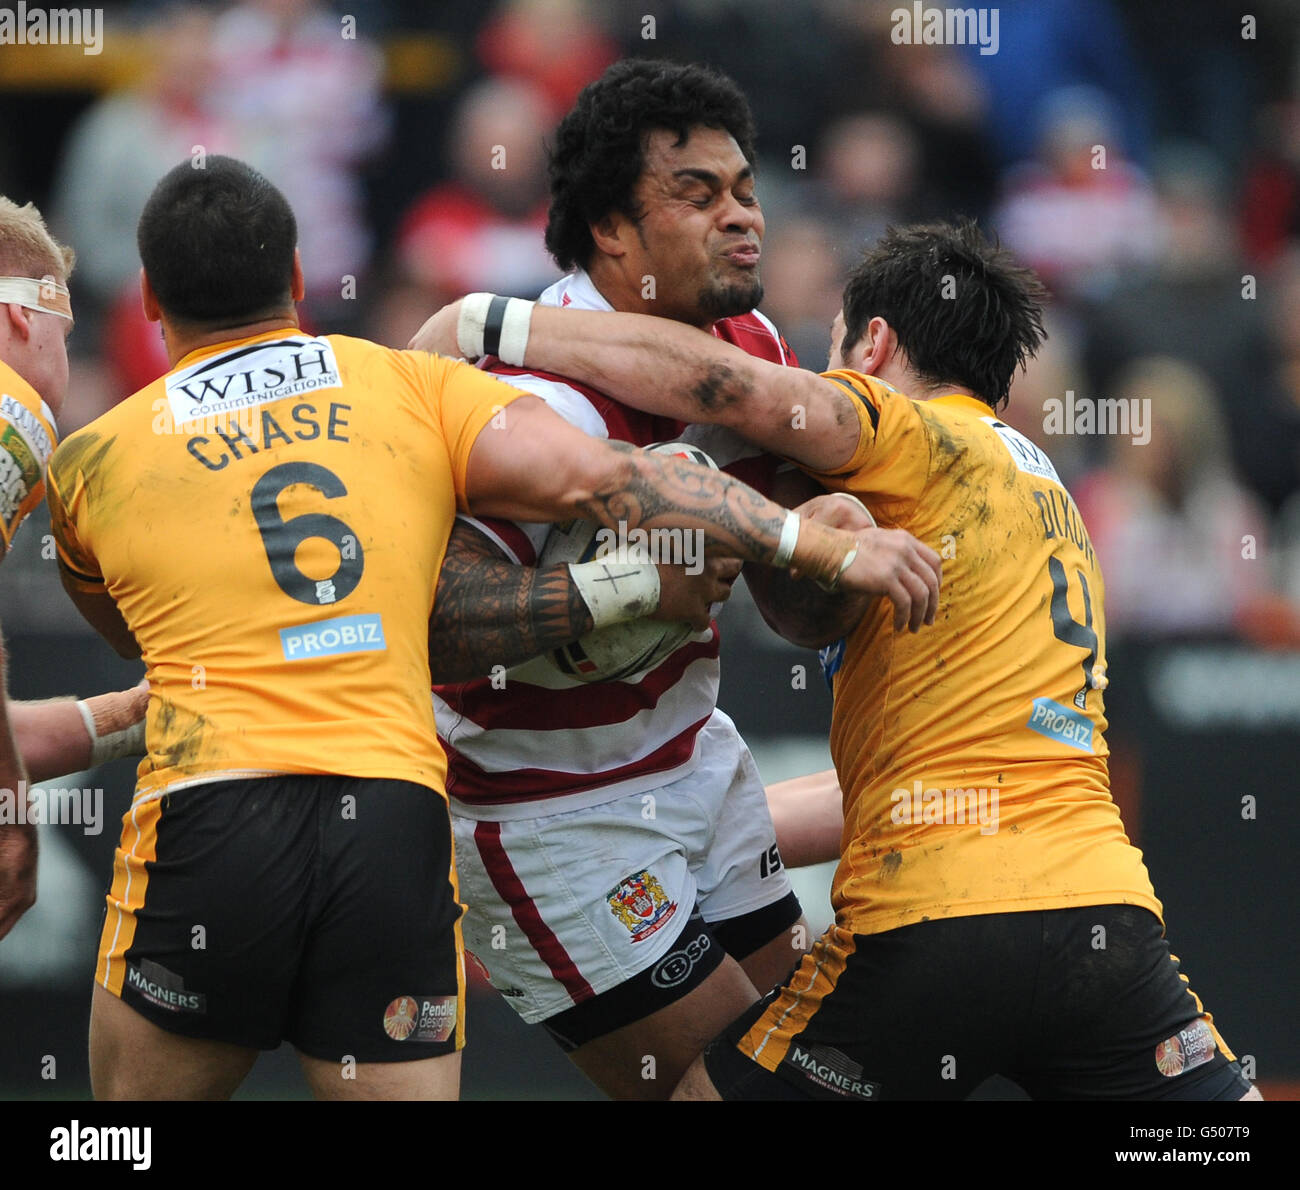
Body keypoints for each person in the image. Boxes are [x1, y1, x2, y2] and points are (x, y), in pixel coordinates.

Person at [44, 156, 939, 1101]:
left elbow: (140, 644)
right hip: (388, 818)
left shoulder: (90, 460)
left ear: (146, 299)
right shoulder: (402, 383)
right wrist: (809, 543)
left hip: (213, 809)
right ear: (300, 281)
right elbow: (624, 480)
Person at [410, 218, 1259, 1101]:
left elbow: (729, 385)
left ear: (877, 345)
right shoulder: (1053, 498)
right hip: (1105, 922)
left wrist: (492, 325)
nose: (818, 374)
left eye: (834, 350)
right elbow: (935, 787)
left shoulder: (915, 437)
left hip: (933, 928)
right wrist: (682, 831)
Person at [421, 60, 879, 1100]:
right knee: (743, 1084)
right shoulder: (536, 402)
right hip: (550, 814)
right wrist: (629, 586)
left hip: (695, 763)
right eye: (697, 193)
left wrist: (818, 538)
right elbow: (436, 623)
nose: (741, 217)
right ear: (612, 232)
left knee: (804, 1069)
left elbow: (795, 614)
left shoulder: (746, 346)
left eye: (746, 188)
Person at [0, 196, 149, 943]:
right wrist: (12, 823)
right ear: (24, 321)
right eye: (65, 338)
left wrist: (136, 716)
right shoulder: (13, 413)